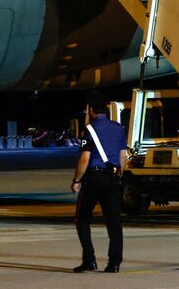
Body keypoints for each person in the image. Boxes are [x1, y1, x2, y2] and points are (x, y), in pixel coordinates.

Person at [71, 92, 128, 273]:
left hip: (94, 177)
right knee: (114, 221)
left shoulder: (89, 129)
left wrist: (76, 180)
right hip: (112, 177)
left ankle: (89, 259)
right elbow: (122, 156)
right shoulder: (119, 128)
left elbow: (85, 159)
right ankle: (114, 262)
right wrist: (118, 176)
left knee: (82, 219)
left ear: (90, 110)